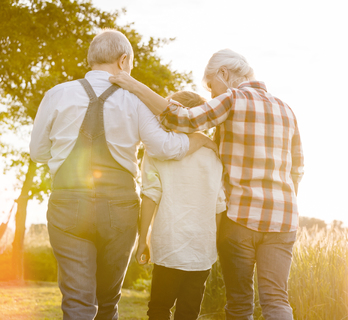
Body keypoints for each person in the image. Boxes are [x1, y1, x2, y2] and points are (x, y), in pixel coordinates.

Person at [29, 29, 215, 320]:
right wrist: (199, 140)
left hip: (67, 207)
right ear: (124, 60)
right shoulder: (135, 100)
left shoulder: (56, 94)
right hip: (119, 209)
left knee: (77, 302)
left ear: (91, 59)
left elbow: (38, 152)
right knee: (107, 302)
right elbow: (165, 147)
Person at [110, 48, 304, 320]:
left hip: (241, 218)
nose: (213, 95)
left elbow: (182, 119)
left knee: (240, 303)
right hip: (283, 221)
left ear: (223, 74)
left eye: (212, 86)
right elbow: (297, 169)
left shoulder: (232, 99)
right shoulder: (287, 109)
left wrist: (133, 85)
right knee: (277, 300)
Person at [136, 90, 226, 320]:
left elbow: (150, 196)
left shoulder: (157, 151)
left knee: (159, 308)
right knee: (189, 312)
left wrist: (142, 239)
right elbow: (219, 206)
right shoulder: (214, 155)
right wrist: (211, 243)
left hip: (169, 243)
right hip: (201, 249)